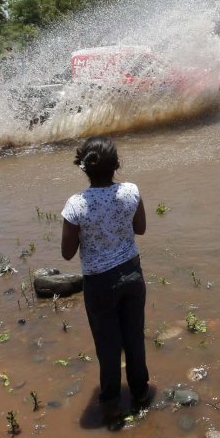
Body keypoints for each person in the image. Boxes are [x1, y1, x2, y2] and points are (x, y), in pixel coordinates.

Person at [61, 137, 152, 418]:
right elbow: (141, 229)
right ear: (116, 165)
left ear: (83, 167)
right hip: (132, 274)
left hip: (100, 282)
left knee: (107, 345)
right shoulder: (131, 191)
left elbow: (67, 253)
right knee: (134, 337)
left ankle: (111, 400)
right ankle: (140, 392)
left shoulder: (76, 205)